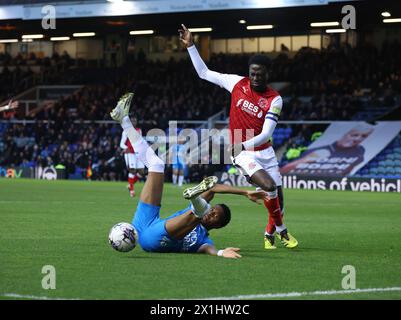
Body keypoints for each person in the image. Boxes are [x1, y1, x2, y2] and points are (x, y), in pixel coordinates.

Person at [179, 24, 297, 249]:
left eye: (259, 74)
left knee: (278, 203)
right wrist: (191, 46)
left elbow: (266, 134)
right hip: (242, 153)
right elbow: (204, 73)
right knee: (269, 186)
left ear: (267, 74)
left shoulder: (275, 99)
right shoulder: (236, 83)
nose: (255, 77)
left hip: (264, 150)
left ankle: (269, 234)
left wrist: (242, 143)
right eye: (252, 73)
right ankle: (283, 232)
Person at [110, 93, 268, 257]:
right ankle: (124, 119)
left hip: (155, 240)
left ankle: (196, 202)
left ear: (217, 225)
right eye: (213, 210)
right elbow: (213, 187)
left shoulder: (203, 240)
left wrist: (222, 252)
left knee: (196, 214)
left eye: (215, 216)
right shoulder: (205, 221)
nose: (212, 213)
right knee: (156, 165)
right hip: (144, 224)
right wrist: (245, 192)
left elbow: (211, 250)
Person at [280, 124, 374, 176]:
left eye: (364, 136)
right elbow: (283, 171)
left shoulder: (360, 151)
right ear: (345, 134)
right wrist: (305, 160)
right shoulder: (319, 150)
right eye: (354, 135)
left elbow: (347, 171)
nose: (357, 139)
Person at [120, 117, 145, 197]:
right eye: (132, 121)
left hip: (137, 153)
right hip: (129, 153)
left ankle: (130, 185)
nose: (134, 122)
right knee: (132, 170)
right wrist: (126, 148)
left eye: (135, 120)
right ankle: (132, 190)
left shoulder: (139, 130)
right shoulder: (126, 131)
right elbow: (121, 144)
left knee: (141, 172)